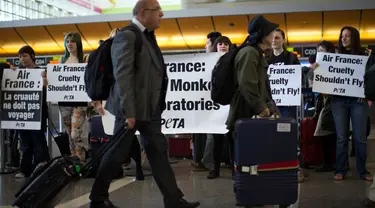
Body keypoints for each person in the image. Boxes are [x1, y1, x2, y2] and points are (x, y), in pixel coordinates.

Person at [89, 1, 200, 207]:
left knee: (159, 153)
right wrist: (129, 112)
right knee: (116, 154)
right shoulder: (127, 36)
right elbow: (123, 76)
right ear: (142, 13)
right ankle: (98, 198)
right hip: (131, 110)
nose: (162, 14)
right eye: (157, 10)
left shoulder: (146, 36)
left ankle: (174, 200)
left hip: (150, 111)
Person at [331, 26, 372, 181]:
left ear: (354, 37)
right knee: (341, 137)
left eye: (347, 36)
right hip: (339, 101)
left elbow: (369, 77)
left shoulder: (365, 55)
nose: (344, 39)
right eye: (342, 36)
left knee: (360, 137)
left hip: (358, 101)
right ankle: (341, 169)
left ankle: (363, 170)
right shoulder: (335, 56)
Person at [14, 46, 50, 178]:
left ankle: (41, 167)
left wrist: (46, 83)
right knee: (24, 142)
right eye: (20, 56)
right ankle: (25, 169)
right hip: (23, 112)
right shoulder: (18, 73)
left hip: (38, 112)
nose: (22, 59)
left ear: (32, 56)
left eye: (25, 56)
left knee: (38, 140)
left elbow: (48, 91)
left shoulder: (41, 72)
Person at [58, 32, 90, 162]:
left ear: (78, 43)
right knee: (69, 135)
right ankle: (74, 160)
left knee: (75, 134)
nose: (69, 44)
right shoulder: (62, 60)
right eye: (67, 42)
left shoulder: (85, 59)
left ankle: (81, 159)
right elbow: (58, 80)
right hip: (65, 101)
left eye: (72, 41)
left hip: (80, 102)